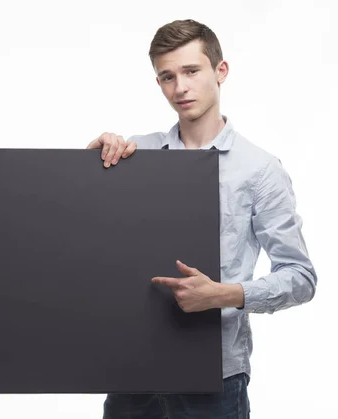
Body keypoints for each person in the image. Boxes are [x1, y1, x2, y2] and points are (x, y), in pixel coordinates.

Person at [87, 19, 317, 418]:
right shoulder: (134, 154)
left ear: (220, 71)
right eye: (167, 76)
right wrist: (89, 162)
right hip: (131, 372)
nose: (180, 88)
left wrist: (223, 294)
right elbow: (78, 231)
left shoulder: (259, 169)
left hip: (214, 381)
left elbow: (300, 276)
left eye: (191, 71)